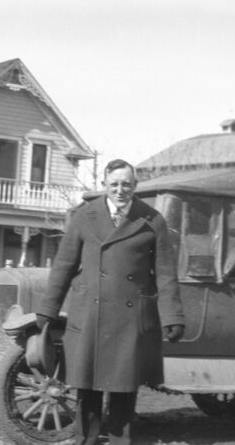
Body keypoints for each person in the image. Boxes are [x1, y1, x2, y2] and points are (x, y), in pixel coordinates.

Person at [36, 159, 185, 445]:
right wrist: (48, 309)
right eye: (114, 184)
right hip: (90, 313)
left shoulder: (152, 220)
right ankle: (85, 440)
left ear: (135, 187)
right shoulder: (84, 216)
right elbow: (64, 266)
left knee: (123, 389)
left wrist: (173, 317)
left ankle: (120, 441)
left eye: (126, 184)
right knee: (87, 387)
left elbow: (166, 274)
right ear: (104, 185)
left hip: (129, 318)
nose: (120, 190)